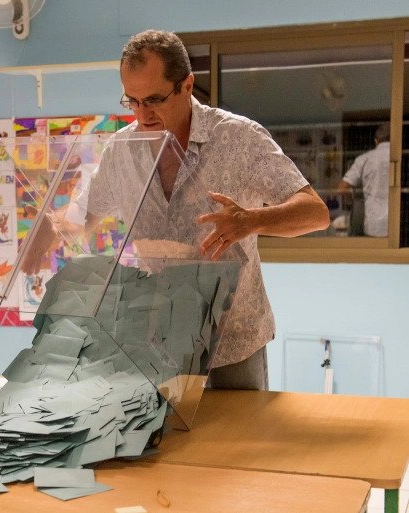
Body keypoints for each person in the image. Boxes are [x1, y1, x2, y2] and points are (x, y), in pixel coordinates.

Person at [22, 29, 330, 390]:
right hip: (160, 341)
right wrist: (50, 227)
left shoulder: (237, 137)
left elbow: (315, 212)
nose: (143, 115)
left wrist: (250, 221)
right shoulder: (122, 150)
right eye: (132, 102)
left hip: (233, 342)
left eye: (154, 99)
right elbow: (83, 218)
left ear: (186, 86)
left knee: (237, 443)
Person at [336, 122, 390, 237]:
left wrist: (352, 201)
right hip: (399, 224)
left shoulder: (364, 159)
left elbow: (342, 188)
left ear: (376, 140)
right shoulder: (401, 157)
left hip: (374, 225)